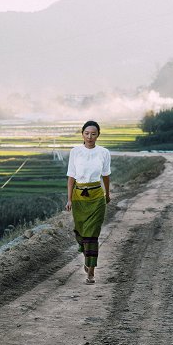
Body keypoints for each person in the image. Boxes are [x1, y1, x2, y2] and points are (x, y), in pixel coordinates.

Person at [64, 120, 111, 284]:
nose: (90, 137)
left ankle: (91, 271)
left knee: (92, 234)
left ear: (98, 135)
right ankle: (87, 256)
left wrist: (107, 194)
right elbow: (71, 176)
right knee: (80, 231)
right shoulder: (75, 152)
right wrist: (69, 199)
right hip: (79, 197)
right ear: (82, 134)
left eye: (93, 134)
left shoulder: (104, 152)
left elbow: (106, 175)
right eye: (87, 133)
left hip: (97, 196)